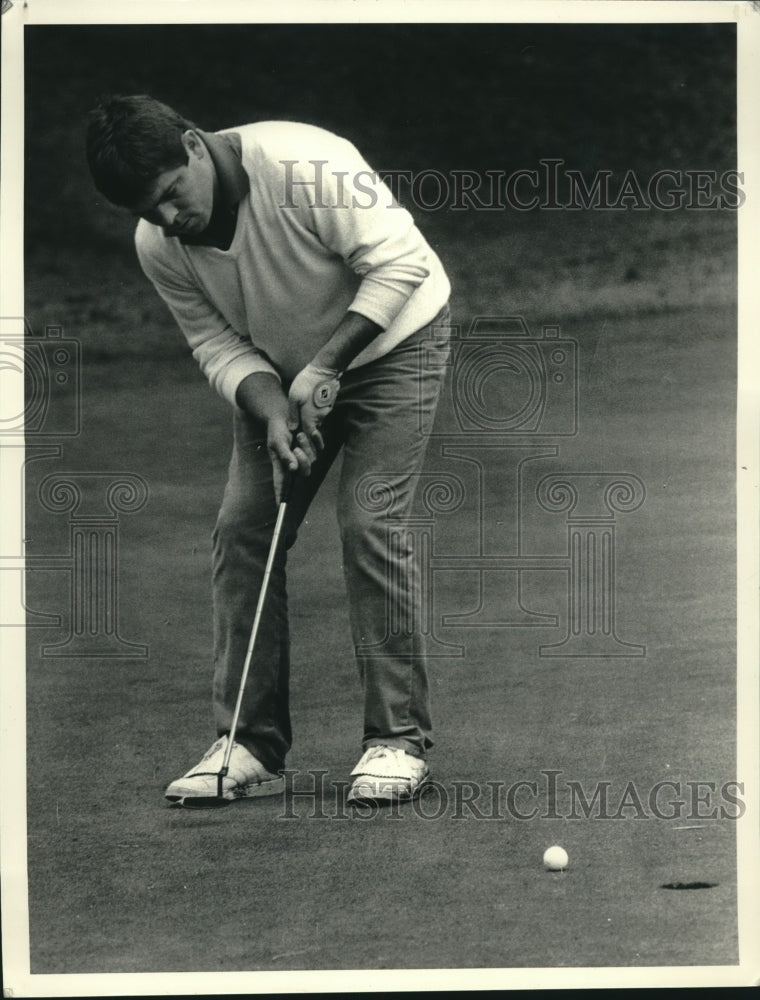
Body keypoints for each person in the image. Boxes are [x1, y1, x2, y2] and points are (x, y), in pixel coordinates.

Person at [86, 94, 451, 806]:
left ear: (195, 147)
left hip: (396, 344)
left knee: (369, 523)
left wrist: (326, 367)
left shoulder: (305, 163)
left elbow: (402, 263)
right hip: (281, 375)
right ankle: (248, 743)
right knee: (245, 529)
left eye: (168, 195)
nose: (166, 219)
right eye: (147, 210)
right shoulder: (158, 243)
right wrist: (270, 407)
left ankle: (396, 741)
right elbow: (214, 342)